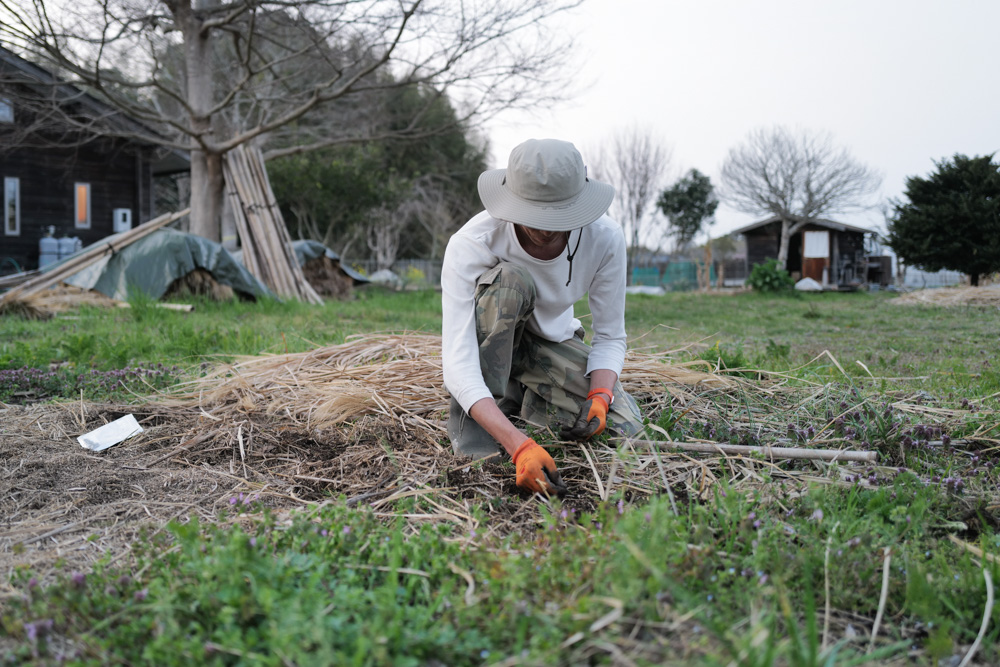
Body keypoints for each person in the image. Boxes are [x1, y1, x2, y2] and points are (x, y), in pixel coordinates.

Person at [441, 138, 643, 497]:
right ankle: (477, 420)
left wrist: (599, 395)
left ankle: (522, 395)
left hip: (548, 345)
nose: (545, 229)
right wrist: (518, 446)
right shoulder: (473, 242)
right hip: (487, 345)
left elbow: (610, 336)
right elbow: (457, 361)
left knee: (624, 428)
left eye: (559, 216)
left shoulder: (605, 238)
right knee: (511, 281)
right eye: (533, 214)